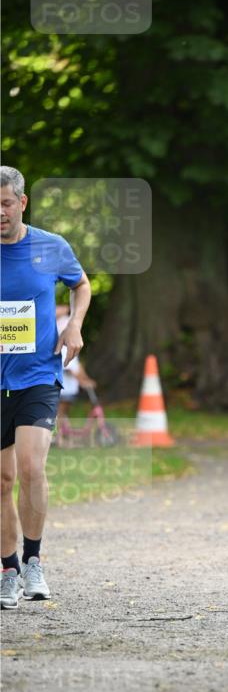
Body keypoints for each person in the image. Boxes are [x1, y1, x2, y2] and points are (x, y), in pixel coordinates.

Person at [1, 166, 91, 609]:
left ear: (22, 203)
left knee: (31, 468)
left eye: (5, 204)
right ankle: (9, 569)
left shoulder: (50, 246)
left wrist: (73, 325)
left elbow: (81, 284)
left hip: (38, 373)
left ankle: (34, 561)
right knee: (2, 478)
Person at [55, 303, 96, 432]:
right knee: (59, 412)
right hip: (63, 387)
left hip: (69, 388)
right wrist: (82, 381)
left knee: (63, 412)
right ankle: (58, 439)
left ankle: (62, 436)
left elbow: (76, 365)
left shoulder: (71, 347)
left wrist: (84, 378)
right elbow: (69, 367)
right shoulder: (62, 347)